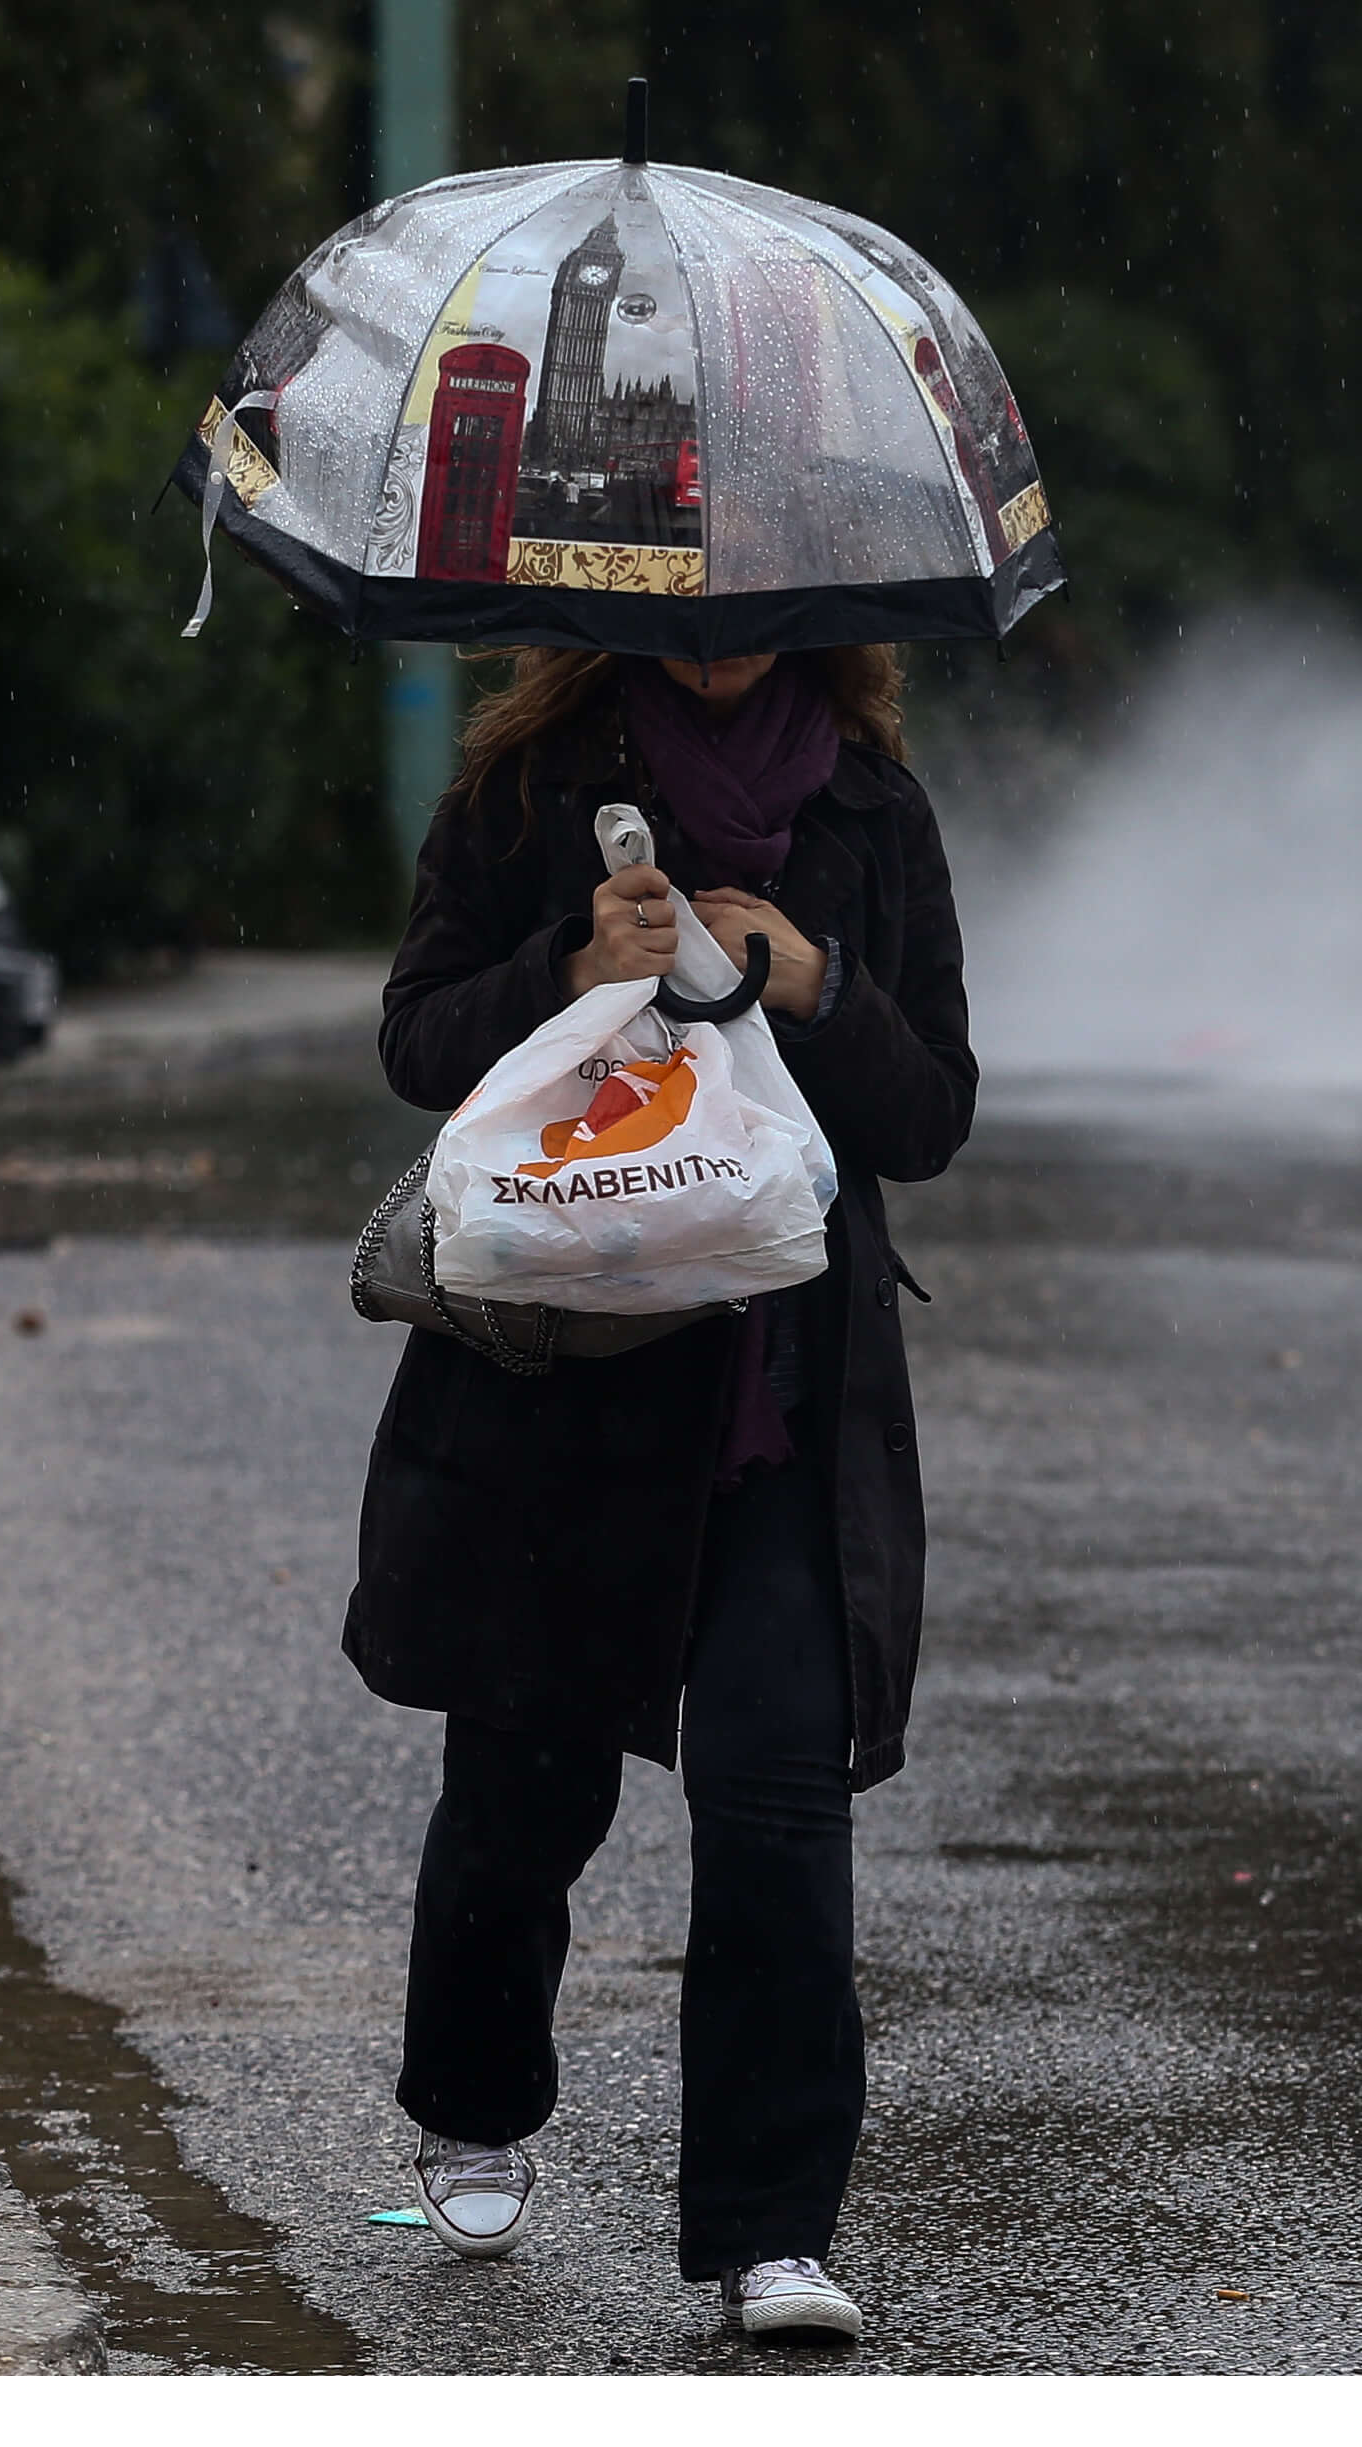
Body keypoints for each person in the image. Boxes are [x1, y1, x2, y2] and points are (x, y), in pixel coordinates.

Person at [346, 641, 971, 2343]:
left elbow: (930, 1118)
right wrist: (568, 965)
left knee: (778, 1814)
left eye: (763, 608)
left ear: (825, 608)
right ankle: (473, 2098)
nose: (721, 637)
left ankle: (774, 2230)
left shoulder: (870, 809)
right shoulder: (530, 794)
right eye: (688, 606)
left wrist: (818, 987)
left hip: (784, 1413)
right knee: (522, 1800)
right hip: (568, 1397)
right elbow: (417, 1039)